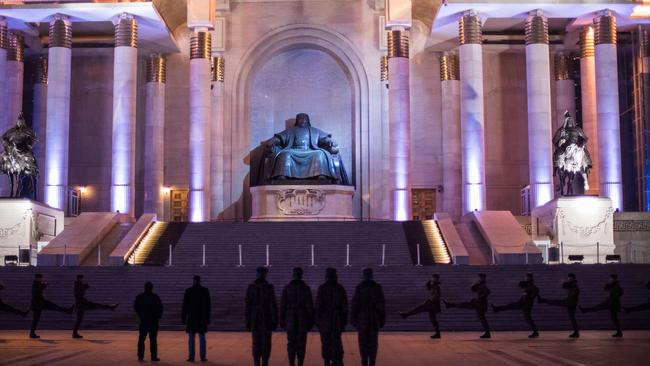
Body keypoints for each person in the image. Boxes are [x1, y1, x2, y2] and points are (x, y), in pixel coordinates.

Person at [351, 268, 385, 366]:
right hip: (374, 318)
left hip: (362, 318)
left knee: (363, 341)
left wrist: (353, 318)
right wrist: (382, 319)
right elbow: (381, 304)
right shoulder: (377, 287)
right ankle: (372, 362)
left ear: (364, 275)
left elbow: (355, 304)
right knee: (373, 342)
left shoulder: (359, 287)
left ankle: (364, 361)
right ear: (372, 275)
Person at [280, 267, 314, 366]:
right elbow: (309, 306)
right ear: (301, 275)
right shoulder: (305, 288)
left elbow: (283, 305)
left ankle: (291, 363)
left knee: (291, 343)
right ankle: (300, 363)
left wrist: (282, 320)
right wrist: (311, 320)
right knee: (301, 343)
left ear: (293, 275)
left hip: (290, 319)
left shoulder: (287, 288)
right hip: (302, 319)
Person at [245, 267, 278, 366]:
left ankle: (256, 363)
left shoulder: (251, 287)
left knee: (256, 343)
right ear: (265, 274)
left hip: (255, 319)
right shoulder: (269, 287)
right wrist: (274, 320)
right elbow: (273, 305)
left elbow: (248, 306)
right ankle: (264, 363)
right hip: (266, 320)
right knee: (266, 344)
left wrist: (248, 321)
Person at [315, 267, 348, 366]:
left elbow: (318, 306)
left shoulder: (322, 288)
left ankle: (326, 362)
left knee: (325, 343)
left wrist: (317, 321)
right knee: (336, 343)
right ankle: (336, 361)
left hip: (325, 321)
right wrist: (343, 321)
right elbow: (344, 307)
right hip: (337, 321)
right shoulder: (340, 288)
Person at [444, 273, 491, 339]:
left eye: (481, 277)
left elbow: (487, 292)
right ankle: (487, 333)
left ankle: (450, 305)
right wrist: (477, 284)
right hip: (479, 304)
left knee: (465, 305)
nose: (480, 278)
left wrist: (478, 298)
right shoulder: (480, 284)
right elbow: (473, 289)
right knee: (482, 318)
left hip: (480, 304)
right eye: (480, 277)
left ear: (483, 278)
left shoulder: (483, 285)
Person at [492, 273, 539, 338]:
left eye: (526, 277)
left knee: (527, 317)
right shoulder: (528, 285)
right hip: (523, 303)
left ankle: (497, 309)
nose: (525, 278)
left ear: (529, 277)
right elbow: (524, 294)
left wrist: (530, 297)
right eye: (525, 277)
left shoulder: (531, 286)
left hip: (526, 304)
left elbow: (534, 292)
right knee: (527, 317)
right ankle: (535, 332)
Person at [72, 274, 118, 339]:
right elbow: (78, 294)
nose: (81, 280)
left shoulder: (79, 285)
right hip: (81, 304)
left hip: (82, 303)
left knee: (80, 319)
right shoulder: (77, 285)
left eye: (81, 278)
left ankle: (110, 307)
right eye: (81, 278)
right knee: (80, 319)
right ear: (78, 279)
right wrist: (84, 288)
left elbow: (80, 292)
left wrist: (84, 287)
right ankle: (110, 307)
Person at [29, 273, 73, 339]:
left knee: (36, 319)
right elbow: (39, 289)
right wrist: (44, 285)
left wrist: (44, 285)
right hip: (38, 304)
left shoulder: (37, 284)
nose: (41, 279)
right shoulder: (35, 284)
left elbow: (40, 289)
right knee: (36, 319)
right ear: (37, 278)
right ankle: (67, 311)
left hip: (39, 303)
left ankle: (32, 333)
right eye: (40, 278)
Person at [399, 273, 442, 339]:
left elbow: (437, 295)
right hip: (432, 304)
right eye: (432, 277)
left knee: (419, 308)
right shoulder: (434, 284)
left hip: (432, 303)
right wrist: (429, 283)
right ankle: (438, 333)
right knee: (433, 319)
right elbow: (428, 288)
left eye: (434, 278)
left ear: (436, 278)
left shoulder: (437, 286)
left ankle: (406, 314)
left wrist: (430, 300)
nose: (432, 279)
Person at [538, 273, 580, 338]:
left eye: (569, 277)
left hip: (570, 303)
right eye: (568, 277)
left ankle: (543, 300)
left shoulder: (574, 285)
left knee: (556, 302)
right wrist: (563, 284)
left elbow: (575, 292)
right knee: (572, 318)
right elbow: (565, 286)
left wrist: (572, 294)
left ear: (573, 278)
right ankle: (576, 332)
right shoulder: (572, 284)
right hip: (570, 302)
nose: (568, 278)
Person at [182, 275, 212, 362]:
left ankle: (191, 356)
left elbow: (185, 306)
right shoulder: (204, 291)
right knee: (202, 338)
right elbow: (208, 306)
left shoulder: (189, 291)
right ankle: (203, 357)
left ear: (193, 281)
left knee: (191, 338)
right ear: (199, 281)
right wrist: (208, 318)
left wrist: (183, 317)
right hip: (201, 318)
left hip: (192, 318)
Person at [134, 281, 163, 362]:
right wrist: (158, 316)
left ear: (144, 287)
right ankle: (153, 356)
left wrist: (140, 315)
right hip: (153, 321)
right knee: (153, 339)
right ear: (152, 288)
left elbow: (136, 307)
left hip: (143, 320)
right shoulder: (155, 297)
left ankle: (140, 356)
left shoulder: (140, 297)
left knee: (141, 339)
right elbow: (160, 308)